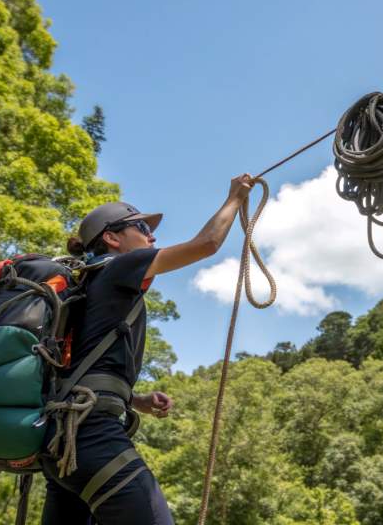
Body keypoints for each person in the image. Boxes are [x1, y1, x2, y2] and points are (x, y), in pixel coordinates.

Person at [40, 173, 255, 525]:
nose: (151, 234)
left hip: (60, 446)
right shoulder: (119, 266)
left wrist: (134, 401)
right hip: (93, 438)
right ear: (111, 238)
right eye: (140, 226)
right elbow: (207, 244)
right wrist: (235, 198)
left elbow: (75, 370)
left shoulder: (87, 284)